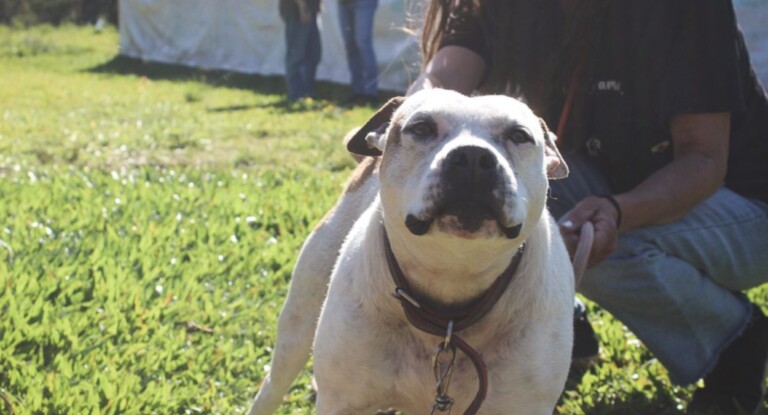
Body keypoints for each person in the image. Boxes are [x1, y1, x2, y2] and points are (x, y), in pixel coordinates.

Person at [406, 0, 768, 413]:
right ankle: (567, 327)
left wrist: (618, 211)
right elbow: (439, 86)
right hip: (615, 183)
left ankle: (735, 343)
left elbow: (703, 161)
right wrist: (408, 131)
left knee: (580, 244)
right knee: (526, 198)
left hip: (746, 204)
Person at [337, 0, 379, 105]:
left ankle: (371, 92)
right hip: (343, 3)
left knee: (363, 43)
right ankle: (358, 90)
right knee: (351, 46)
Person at [280, 0, 321, 101]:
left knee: (313, 55)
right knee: (296, 55)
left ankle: (308, 92)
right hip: (296, 12)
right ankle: (296, 94)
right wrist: (302, 7)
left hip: (311, 11)